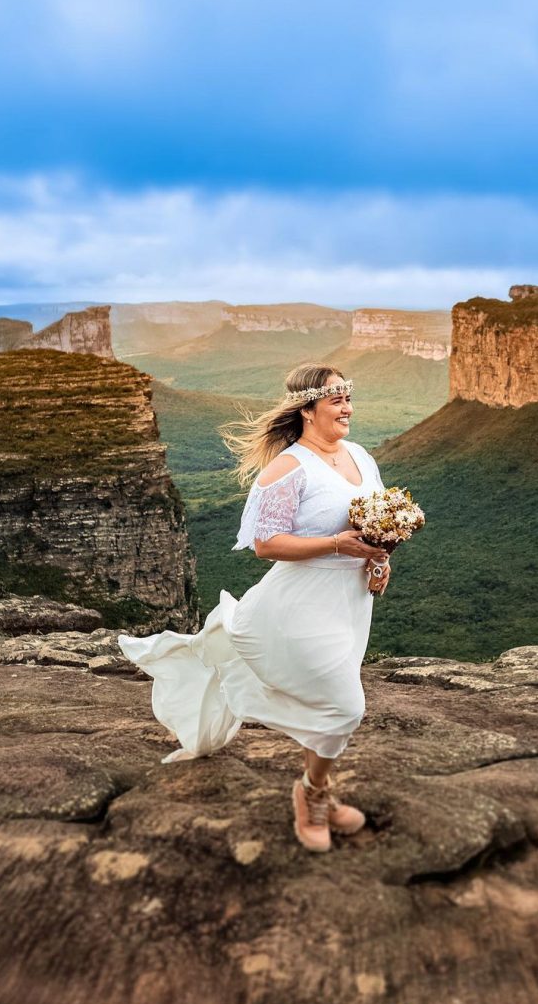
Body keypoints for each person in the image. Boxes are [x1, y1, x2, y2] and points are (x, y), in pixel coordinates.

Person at [117, 363, 391, 852]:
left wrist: (377, 557)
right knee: (346, 707)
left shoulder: (361, 457)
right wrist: (335, 546)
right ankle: (310, 795)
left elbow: (372, 525)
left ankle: (319, 790)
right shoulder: (287, 467)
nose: (347, 407)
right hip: (298, 604)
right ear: (307, 409)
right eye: (336, 399)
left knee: (326, 697)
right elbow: (266, 544)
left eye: (349, 396)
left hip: (349, 602)